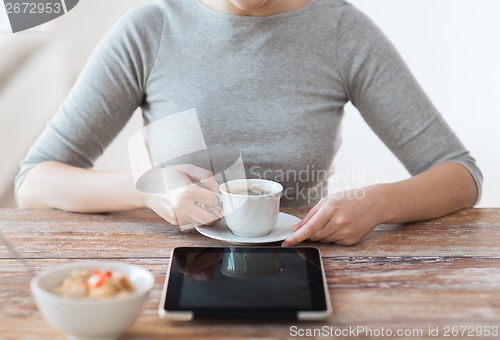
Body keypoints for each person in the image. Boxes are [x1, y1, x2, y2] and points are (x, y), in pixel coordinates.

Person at [16, 0, 482, 247]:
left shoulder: (342, 32)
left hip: (306, 266)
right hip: (176, 272)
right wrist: (146, 188)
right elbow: (34, 182)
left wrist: (379, 203)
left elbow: (460, 174)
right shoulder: (149, 30)